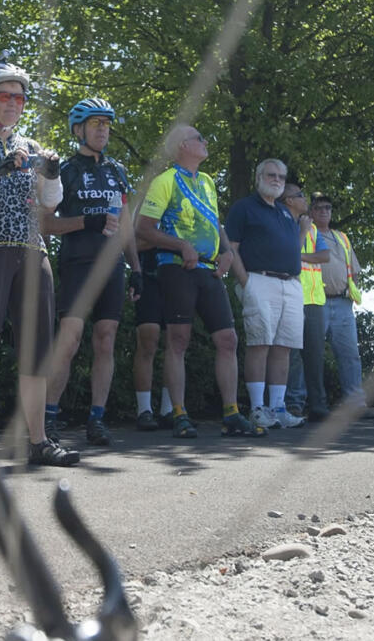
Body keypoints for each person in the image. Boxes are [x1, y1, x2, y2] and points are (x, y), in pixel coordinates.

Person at [0, 60, 79, 467]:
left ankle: (38, 441)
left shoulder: (36, 147)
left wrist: (54, 172)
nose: (14, 103)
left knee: (35, 352)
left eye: (20, 97)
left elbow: (50, 203)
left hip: (32, 253)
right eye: (5, 96)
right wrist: (2, 168)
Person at [136, 126, 264, 439]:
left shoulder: (207, 182)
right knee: (178, 339)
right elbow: (143, 229)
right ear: (182, 145)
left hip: (209, 271)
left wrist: (226, 253)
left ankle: (231, 413)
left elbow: (214, 221)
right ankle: (178, 413)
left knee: (228, 340)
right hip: (176, 268)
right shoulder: (164, 182)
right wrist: (181, 245)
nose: (205, 142)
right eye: (199, 138)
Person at [43, 97, 141, 446]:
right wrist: (87, 221)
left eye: (107, 124)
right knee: (68, 342)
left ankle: (96, 419)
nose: (103, 129)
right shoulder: (65, 171)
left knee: (106, 340)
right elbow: (45, 224)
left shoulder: (117, 171)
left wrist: (137, 268)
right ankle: (48, 419)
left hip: (112, 266)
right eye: (96, 123)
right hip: (78, 263)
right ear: (78, 129)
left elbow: (127, 226)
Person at [225, 161, 308, 432]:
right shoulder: (243, 208)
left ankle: (278, 408)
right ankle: (258, 407)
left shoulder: (285, 213)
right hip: (259, 279)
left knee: (284, 347)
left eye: (281, 176)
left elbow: (292, 249)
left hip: (291, 284)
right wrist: (246, 282)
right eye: (271, 175)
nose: (277, 180)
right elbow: (231, 248)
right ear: (258, 176)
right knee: (260, 342)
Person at [309, 192, 374, 416]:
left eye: (328, 207)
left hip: (343, 304)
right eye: (319, 208)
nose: (324, 211)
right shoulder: (307, 234)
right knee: (310, 354)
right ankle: (300, 403)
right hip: (315, 302)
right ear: (310, 212)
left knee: (349, 354)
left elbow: (353, 270)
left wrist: (351, 289)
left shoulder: (342, 237)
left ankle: (355, 404)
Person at [282, 181, 331, 422]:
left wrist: (298, 255)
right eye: (300, 195)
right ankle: (293, 404)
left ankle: (318, 405)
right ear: (288, 200)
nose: (305, 200)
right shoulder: (281, 223)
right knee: (291, 355)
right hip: (290, 296)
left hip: (314, 300)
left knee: (314, 355)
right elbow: (283, 252)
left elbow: (324, 256)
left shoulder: (311, 229)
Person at [132, 245, 173, 431]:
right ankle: (144, 410)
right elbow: (134, 240)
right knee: (148, 340)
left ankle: (169, 410)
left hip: (176, 275)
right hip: (147, 274)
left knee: (175, 341)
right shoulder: (139, 213)